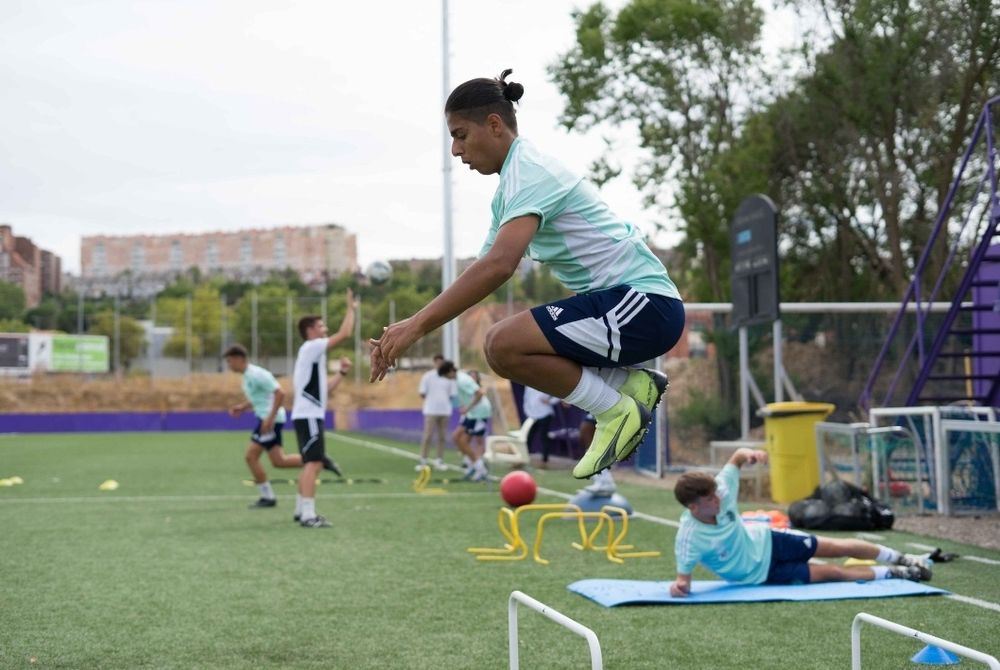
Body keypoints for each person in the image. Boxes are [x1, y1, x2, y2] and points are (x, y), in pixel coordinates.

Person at [369, 68, 685, 480]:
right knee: (504, 347)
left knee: (503, 344)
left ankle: (616, 410)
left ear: (495, 125)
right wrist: (410, 325)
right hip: (630, 305)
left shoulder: (530, 172)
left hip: (644, 304)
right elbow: (479, 272)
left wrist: (415, 327)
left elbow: (500, 266)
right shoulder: (511, 189)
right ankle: (628, 386)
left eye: (460, 134)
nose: (454, 149)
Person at [669, 448, 933, 597]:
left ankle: (903, 558)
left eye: (716, 492)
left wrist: (751, 454)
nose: (718, 499)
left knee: (835, 547)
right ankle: (896, 573)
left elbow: (736, 457)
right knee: (833, 573)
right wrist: (678, 588)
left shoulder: (720, 490)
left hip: (769, 540)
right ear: (694, 507)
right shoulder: (688, 538)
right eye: (710, 498)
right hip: (759, 576)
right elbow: (683, 582)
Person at [223, 344, 342, 509]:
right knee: (279, 461)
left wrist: (269, 419)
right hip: (267, 419)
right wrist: (242, 407)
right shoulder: (247, 376)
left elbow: (280, 393)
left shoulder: (257, 374)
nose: (228, 365)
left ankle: (268, 496)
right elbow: (260, 397)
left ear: (239, 359)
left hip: (269, 421)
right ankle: (316, 458)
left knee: (251, 456)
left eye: (230, 361)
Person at [291, 290, 356, 528]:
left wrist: (342, 373)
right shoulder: (311, 347)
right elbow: (346, 333)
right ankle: (309, 515)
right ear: (310, 331)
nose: (325, 329)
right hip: (308, 415)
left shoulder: (311, 354)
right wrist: (351, 308)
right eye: (321, 326)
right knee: (314, 463)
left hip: (308, 414)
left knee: (311, 462)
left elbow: (324, 388)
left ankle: (301, 509)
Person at [438, 361, 492, 481]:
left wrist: (467, 408)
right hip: (472, 413)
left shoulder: (462, 380)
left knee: (466, 440)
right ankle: (473, 464)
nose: (447, 378)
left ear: (451, 371)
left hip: (479, 413)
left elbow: (479, 393)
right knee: (457, 437)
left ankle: (479, 467)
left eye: (447, 375)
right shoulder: (459, 377)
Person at [416, 354, 457, 472]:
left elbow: (452, 394)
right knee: (427, 435)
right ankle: (423, 461)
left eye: (441, 362)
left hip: (445, 411)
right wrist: (432, 401)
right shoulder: (428, 376)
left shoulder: (449, 377)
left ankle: (439, 460)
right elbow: (422, 393)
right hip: (431, 410)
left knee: (442, 437)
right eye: (437, 362)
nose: (439, 364)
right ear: (434, 363)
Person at [522, 386, 559, 467]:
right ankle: (524, 457)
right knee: (529, 436)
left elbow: (558, 394)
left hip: (545, 414)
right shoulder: (527, 385)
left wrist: (550, 401)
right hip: (532, 416)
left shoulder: (544, 381)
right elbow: (526, 399)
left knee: (543, 437)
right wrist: (527, 411)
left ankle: (545, 460)